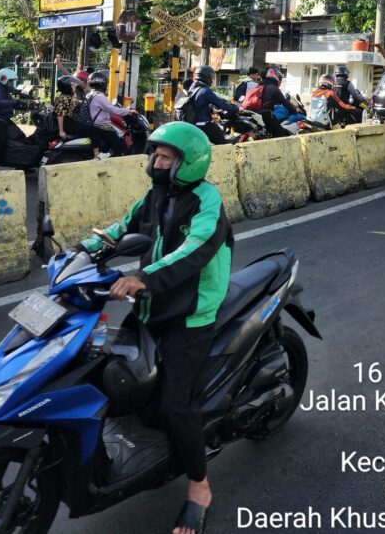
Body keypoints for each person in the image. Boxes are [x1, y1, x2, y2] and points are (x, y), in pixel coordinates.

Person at [79, 123, 232, 534]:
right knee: (111, 370)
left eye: (166, 158)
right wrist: (81, 249)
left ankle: (199, 488)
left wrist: (145, 278)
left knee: (174, 405)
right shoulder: (155, 195)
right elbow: (122, 227)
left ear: (188, 162)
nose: (157, 163)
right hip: (153, 303)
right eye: (156, 156)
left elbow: (194, 249)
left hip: (190, 312)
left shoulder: (207, 200)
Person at [85, 71, 137, 156]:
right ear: (103, 84)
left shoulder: (89, 95)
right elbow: (113, 110)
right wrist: (129, 111)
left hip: (92, 124)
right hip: (101, 126)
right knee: (118, 144)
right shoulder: (100, 96)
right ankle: (116, 162)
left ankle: (106, 153)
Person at [188, 65, 240, 145]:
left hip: (193, 122)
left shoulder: (193, 88)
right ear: (207, 77)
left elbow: (198, 104)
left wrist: (213, 110)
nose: (212, 80)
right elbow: (221, 104)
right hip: (203, 123)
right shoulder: (205, 90)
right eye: (211, 77)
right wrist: (236, 108)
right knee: (223, 142)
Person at [53, 75, 102, 159]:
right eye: (72, 85)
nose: (74, 86)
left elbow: (76, 102)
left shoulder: (66, 96)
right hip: (67, 124)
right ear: (67, 87)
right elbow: (60, 115)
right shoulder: (65, 98)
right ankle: (96, 155)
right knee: (94, 130)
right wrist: (61, 131)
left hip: (69, 121)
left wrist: (84, 102)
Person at [260, 67, 298, 137]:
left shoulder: (261, 84)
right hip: (267, 115)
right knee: (281, 135)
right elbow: (284, 102)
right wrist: (294, 110)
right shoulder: (273, 87)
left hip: (257, 112)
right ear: (276, 77)